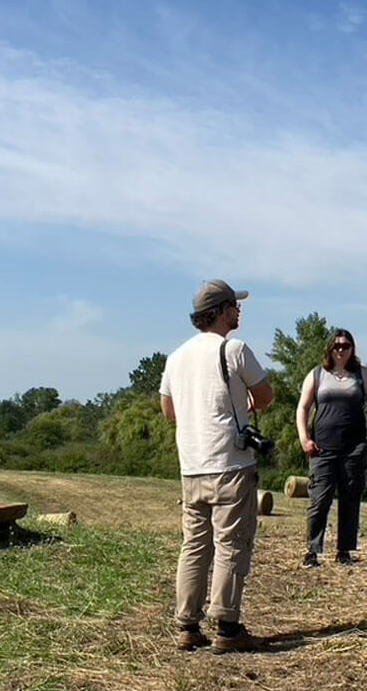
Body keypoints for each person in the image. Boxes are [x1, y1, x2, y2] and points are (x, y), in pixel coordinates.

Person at [160, 279, 275, 653]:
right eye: (234, 306)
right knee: (231, 544)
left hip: (191, 465)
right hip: (231, 463)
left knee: (194, 546)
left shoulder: (176, 357)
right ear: (222, 311)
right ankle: (227, 627)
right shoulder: (235, 349)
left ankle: (187, 625)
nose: (239, 311)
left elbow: (168, 411)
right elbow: (266, 397)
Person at [296, 329, 367, 568]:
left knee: (350, 499)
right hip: (323, 447)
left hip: (354, 447)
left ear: (352, 348)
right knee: (319, 500)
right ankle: (312, 551)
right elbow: (303, 408)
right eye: (337, 346)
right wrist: (305, 438)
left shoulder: (363, 375)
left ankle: (344, 550)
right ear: (329, 349)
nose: (341, 350)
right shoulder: (316, 375)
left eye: (346, 346)